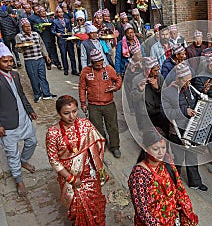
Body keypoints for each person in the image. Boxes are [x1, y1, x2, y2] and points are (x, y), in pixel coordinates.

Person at [46, 95, 107, 225]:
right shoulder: (53, 133)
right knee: (77, 208)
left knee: (95, 205)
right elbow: (53, 160)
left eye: (74, 111)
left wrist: (99, 169)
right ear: (59, 113)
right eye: (66, 113)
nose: (72, 116)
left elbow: (97, 144)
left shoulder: (85, 124)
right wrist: (71, 179)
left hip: (89, 174)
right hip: (70, 175)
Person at [128, 129, 198, 226]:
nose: (161, 152)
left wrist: (180, 204)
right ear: (145, 148)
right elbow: (143, 212)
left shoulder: (167, 160)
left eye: (163, 148)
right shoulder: (139, 175)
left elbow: (177, 184)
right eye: (156, 149)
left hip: (172, 217)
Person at [161, 62, 208, 191]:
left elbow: (195, 104)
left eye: (189, 80)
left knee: (192, 157)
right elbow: (165, 113)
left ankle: (195, 183)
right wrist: (183, 111)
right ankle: (173, 182)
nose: (188, 83)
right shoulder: (168, 92)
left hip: (191, 129)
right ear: (178, 79)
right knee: (178, 159)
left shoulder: (189, 88)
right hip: (177, 133)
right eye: (185, 81)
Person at [0, 43, 38, 197]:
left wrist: (30, 110)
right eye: (5, 61)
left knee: (32, 141)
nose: (9, 64)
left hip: (23, 118)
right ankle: (19, 180)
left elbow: (22, 95)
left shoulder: (15, 74)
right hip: (7, 123)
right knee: (12, 154)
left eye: (11, 61)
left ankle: (24, 160)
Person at [79, 49, 122, 158]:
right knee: (97, 128)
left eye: (101, 64)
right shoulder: (85, 71)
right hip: (93, 105)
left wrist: (116, 87)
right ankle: (102, 143)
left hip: (109, 104)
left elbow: (118, 79)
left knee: (112, 126)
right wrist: (83, 103)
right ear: (92, 63)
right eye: (97, 65)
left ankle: (115, 146)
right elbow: (82, 88)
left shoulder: (108, 69)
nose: (100, 66)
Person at [15, 18, 57, 103]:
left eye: (29, 26)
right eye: (25, 27)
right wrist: (24, 47)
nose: (28, 28)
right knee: (34, 78)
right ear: (22, 27)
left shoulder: (36, 34)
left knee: (42, 76)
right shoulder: (19, 36)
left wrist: (46, 55)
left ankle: (46, 93)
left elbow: (42, 45)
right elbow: (19, 50)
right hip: (30, 60)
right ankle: (37, 94)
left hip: (40, 58)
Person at [130, 57, 168, 134]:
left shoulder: (159, 77)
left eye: (158, 69)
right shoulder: (137, 79)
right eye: (155, 70)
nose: (157, 72)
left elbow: (166, 95)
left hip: (159, 112)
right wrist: (140, 90)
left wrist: (157, 88)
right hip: (145, 115)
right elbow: (133, 98)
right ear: (148, 70)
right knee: (149, 137)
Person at [51, 6, 78, 76]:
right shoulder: (55, 21)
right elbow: (52, 30)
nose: (61, 14)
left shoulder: (67, 20)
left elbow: (70, 29)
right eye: (59, 12)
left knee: (72, 54)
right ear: (57, 13)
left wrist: (71, 34)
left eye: (62, 12)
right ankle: (66, 69)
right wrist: (57, 34)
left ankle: (74, 70)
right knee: (63, 54)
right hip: (61, 39)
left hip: (69, 39)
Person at [37, 6, 62, 70]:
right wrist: (41, 29)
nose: (43, 13)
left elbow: (53, 27)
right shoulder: (38, 20)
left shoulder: (50, 19)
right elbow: (38, 30)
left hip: (51, 37)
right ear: (39, 13)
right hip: (45, 37)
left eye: (44, 11)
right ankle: (48, 63)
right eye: (42, 12)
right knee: (47, 51)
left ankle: (57, 63)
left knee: (54, 50)